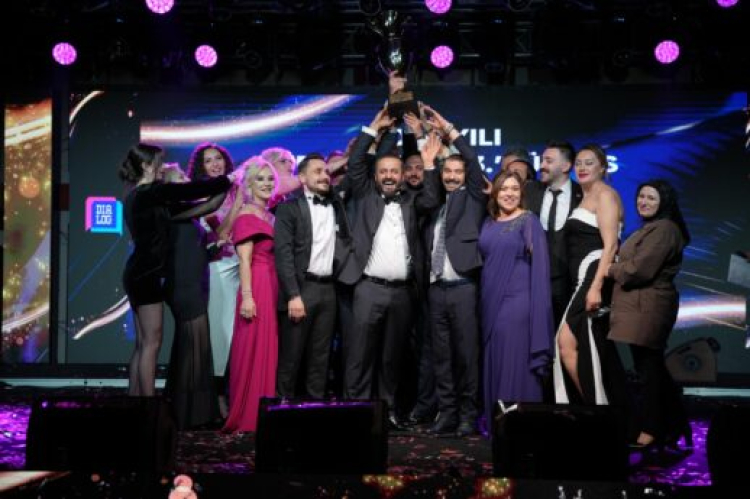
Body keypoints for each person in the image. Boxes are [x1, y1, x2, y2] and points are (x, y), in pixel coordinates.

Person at [337, 105, 439, 430]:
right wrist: (373, 127)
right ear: (376, 175)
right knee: (360, 356)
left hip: (402, 293)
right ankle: (355, 412)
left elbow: (432, 198)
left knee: (392, 358)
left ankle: (388, 412)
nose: (390, 176)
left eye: (395, 171)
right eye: (384, 171)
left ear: (402, 174)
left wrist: (430, 164)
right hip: (368, 288)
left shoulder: (411, 199)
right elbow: (356, 164)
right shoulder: (365, 194)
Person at [119, 143, 236, 398]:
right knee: (152, 342)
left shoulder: (146, 197)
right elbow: (195, 190)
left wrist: (228, 189)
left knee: (143, 343)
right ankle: (148, 407)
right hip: (146, 274)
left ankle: (135, 401)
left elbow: (205, 206)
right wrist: (230, 177)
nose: (162, 168)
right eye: (158, 163)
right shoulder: (149, 192)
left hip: (138, 272)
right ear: (146, 166)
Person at [605, 180, 692, 449]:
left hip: (649, 307)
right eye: (641, 196)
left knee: (649, 371)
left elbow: (639, 270)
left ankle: (652, 429)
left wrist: (609, 269)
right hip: (641, 306)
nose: (643, 202)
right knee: (653, 369)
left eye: (651, 198)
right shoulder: (653, 227)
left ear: (664, 201)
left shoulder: (664, 229)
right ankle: (675, 424)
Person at [421, 106, 486, 436]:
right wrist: (429, 164)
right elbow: (428, 194)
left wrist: (448, 128)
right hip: (436, 289)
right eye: (447, 171)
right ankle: (446, 413)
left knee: (465, 355)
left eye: (457, 172)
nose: (452, 177)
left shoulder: (473, 196)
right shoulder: (434, 201)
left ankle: (467, 415)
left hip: (462, 287)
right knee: (441, 356)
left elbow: (471, 159)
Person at [552, 144, 628, 407]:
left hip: (594, 273)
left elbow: (611, 245)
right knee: (583, 346)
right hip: (582, 277)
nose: (582, 168)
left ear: (603, 168)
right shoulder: (585, 197)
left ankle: (598, 411)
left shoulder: (605, 195)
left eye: (589, 162)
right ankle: (602, 411)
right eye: (579, 163)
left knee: (567, 342)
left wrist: (596, 286)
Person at [479, 171, 554, 425]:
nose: (509, 193)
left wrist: (537, 308)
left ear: (522, 193)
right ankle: (498, 422)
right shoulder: (488, 222)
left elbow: (540, 266)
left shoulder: (528, 221)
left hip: (517, 302)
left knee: (514, 360)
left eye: (514, 189)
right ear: (495, 193)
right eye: (503, 189)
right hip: (490, 300)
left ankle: (518, 425)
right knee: (498, 358)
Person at [274, 153, 352, 399]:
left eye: (326, 172)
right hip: (302, 288)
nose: (324, 176)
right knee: (291, 357)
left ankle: (315, 410)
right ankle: (283, 410)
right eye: (317, 171)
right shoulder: (289, 208)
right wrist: (293, 295)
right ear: (302, 178)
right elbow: (283, 254)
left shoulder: (336, 205)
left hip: (328, 289)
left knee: (320, 358)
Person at [161, 163, 227, 430]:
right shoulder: (172, 209)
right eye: (180, 178)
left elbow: (188, 250)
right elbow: (212, 204)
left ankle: (184, 411)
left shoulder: (184, 213)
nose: (187, 181)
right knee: (194, 348)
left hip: (192, 283)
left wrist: (212, 250)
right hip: (184, 286)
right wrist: (229, 180)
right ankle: (192, 414)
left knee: (190, 348)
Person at [222, 157, 279, 433]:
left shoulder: (269, 214)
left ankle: (262, 411)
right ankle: (247, 415)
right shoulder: (246, 214)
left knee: (267, 348)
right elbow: (244, 260)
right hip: (256, 285)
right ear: (249, 185)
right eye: (260, 179)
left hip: (272, 284)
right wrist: (247, 297)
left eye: (270, 179)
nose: (267, 183)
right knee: (252, 348)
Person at [187, 143, 241, 417]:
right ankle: (218, 397)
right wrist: (238, 204)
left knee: (241, 336)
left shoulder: (237, 188)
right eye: (208, 161)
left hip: (244, 267)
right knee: (223, 337)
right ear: (201, 167)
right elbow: (221, 234)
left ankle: (239, 394)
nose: (215, 164)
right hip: (219, 268)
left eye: (218, 158)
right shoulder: (202, 196)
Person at [525, 140, 583, 329]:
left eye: (548, 161)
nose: (541, 165)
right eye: (542, 160)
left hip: (570, 284)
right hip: (533, 279)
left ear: (566, 166)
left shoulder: (583, 195)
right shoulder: (529, 190)